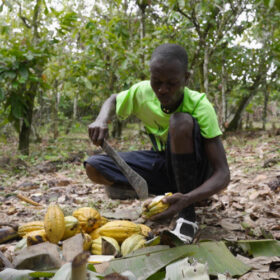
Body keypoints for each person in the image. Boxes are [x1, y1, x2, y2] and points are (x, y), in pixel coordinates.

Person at [85, 43, 230, 243]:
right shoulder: (143, 92)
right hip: (165, 163)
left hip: (195, 171)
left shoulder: (200, 105)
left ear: (186, 78)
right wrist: (101, 119)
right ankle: (164, 196)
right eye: (156, 82)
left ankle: (187, 216)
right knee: (95, 167)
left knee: (180, 122)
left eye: (171, 83)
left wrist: (188, 199)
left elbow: (223, 174)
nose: (162, 90)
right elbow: (112, 100)